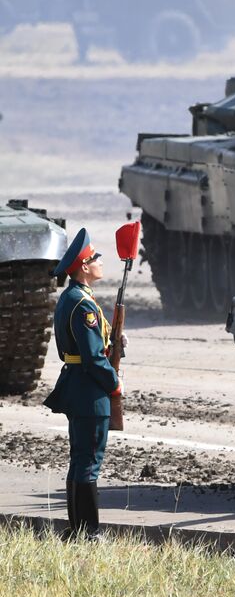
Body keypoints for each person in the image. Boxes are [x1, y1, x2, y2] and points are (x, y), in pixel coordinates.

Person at [42, 228, 122, 540]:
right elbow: (92, 357)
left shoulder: (71, 299)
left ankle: (77, 530)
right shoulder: (84, 305)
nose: (100, 262)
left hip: (76, 385)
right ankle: (88, 532)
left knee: (80, 459)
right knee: (89, 462)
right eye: (95, 259)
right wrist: (114, 384)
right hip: (90, 390)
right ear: (84, 267)